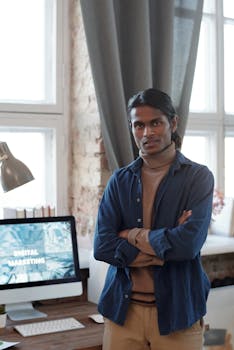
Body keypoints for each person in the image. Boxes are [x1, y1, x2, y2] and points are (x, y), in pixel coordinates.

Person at [93, 88, 214, 350]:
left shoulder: (198, 178)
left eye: (155, 123)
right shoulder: (119, 181)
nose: (147, 133)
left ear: (173, 123)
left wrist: (130, 235)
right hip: (122, 313)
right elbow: (102, 246)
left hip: (178, 312)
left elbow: (187, 246)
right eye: (139, 125)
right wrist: (164, 248)